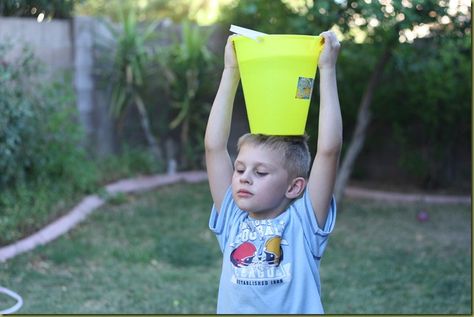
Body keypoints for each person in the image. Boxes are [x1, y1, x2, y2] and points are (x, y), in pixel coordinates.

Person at [204, 30, 342, 314]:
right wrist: (231, 71)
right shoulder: (233, 218)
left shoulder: (303, 223)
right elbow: (214, 148)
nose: (244, 177)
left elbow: (329, 150)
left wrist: (326, 70)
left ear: (294, 187)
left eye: (261, 172)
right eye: (240, 169)